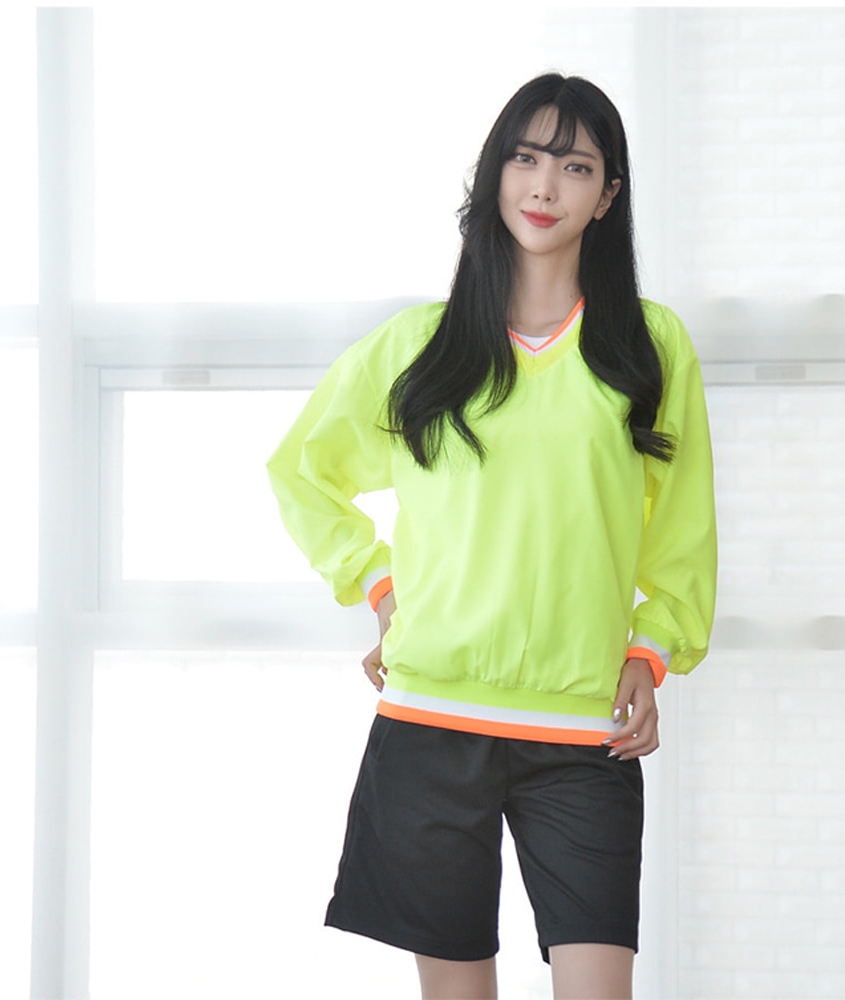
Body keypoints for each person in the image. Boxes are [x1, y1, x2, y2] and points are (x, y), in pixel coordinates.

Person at [267, 73, 716, 1000]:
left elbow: (682, 528)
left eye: (575, 167)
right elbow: (303, 471)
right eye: (526, 158)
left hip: (582, 730)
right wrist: (380, 588)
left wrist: (653, 647)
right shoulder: (417, 346)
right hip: (431, 726)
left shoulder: (649, 346)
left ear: (609, 194)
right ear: (495, 173)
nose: (545, 186)